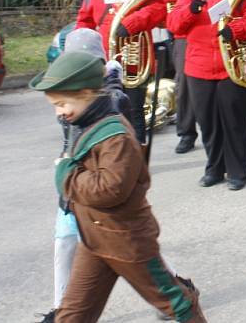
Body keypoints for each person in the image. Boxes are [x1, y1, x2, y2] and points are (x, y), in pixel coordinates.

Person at [30, 51, 206, 322]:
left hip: (128, 240)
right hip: (96, 237)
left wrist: (65, 174)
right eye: (55, 105)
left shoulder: (116, 136)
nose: (59, 113)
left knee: (176, 302)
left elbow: (109, 189)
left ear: (88, 93)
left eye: (62, 103)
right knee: (73, 313)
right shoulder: (86, 121)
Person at [35, 28, 132, 323]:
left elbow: (114, 105)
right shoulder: (72, 92)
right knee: (64, 241)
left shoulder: (112, 95)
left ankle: (176, 289)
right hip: (74, 181)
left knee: (134, 249)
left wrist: (111, 78)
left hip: (103, 185)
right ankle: (61, 309)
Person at [166, 0, 246, 191]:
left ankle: (237, 170)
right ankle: (214, 168)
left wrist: (236, 29)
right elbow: (174, 25)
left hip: (230, 67)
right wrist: (190, 11)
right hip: (198, 68)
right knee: (208, 123)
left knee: (235, 122)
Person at [75, 0, 166, 144]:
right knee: (107, 108)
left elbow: (158, 8)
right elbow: (84, 20)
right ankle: (116, 150)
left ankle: (138, 152)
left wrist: (132, 23)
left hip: (134, 57)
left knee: (134, 108)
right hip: (106, 58)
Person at [160, 0, 218, 154]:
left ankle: (213, 132)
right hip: (185, 33)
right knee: (184, 85)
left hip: (213, 32)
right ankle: (186, 133)